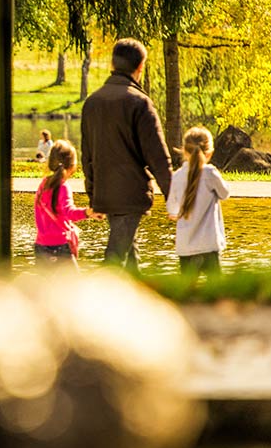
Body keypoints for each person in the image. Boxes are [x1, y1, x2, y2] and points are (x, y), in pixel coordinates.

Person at [81, 38, 172, 274]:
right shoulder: (140, 103)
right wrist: (174, 198)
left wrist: (93, 195)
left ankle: (138, 298)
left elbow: (87, 156)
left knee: (130, 257)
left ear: (112, 63)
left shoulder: (92, 103)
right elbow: (158, 158)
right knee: (114, 257)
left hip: (105, 192)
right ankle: (94, 301)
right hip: (131, 194)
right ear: (140, 67)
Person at [165, 127, 229, 278]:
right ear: (209, 153)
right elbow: (225, 194)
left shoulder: (177, 176)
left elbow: (172, 210)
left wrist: (176, 213)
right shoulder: (210, 173)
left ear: (184, 151)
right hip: (209, 244)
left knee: (187, 291)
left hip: (185, 246)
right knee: (216, 289)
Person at [34, 140, 103, 267]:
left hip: (41, 245)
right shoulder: (63, 186)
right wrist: (88, 212)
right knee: (73, 285)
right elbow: (69, 212)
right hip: (59, 246)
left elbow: (38, 213)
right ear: (72, 166)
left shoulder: (43, 184)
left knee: (46, 285)